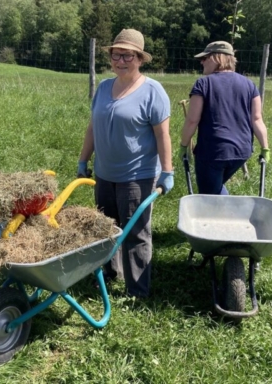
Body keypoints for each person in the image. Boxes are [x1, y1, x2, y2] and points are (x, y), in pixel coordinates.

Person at [77, 29, 174, 298]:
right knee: (107, 229)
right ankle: (110, 275)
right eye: (116, 54)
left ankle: (138, 290)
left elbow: (162, 134)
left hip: (137, 176)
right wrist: (83, 159)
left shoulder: (152, 91)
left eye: (127, 56)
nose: (121, 61)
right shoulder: (105, 87)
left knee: (136, 233)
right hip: (105, 174)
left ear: (140, 59)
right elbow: (93, 128)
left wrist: (167, 171)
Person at [180, 41, 270, 195]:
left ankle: (228, 216)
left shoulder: (203, 84)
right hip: (241, 152)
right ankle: (227, 212)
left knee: (209, 196)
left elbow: (192, 120)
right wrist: (265, 148)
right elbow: (257, 120)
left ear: (217, 58)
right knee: (215, 188)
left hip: (213, 152)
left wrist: (183, 146)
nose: (201, 62)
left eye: (205, 58)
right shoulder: (250, 85)